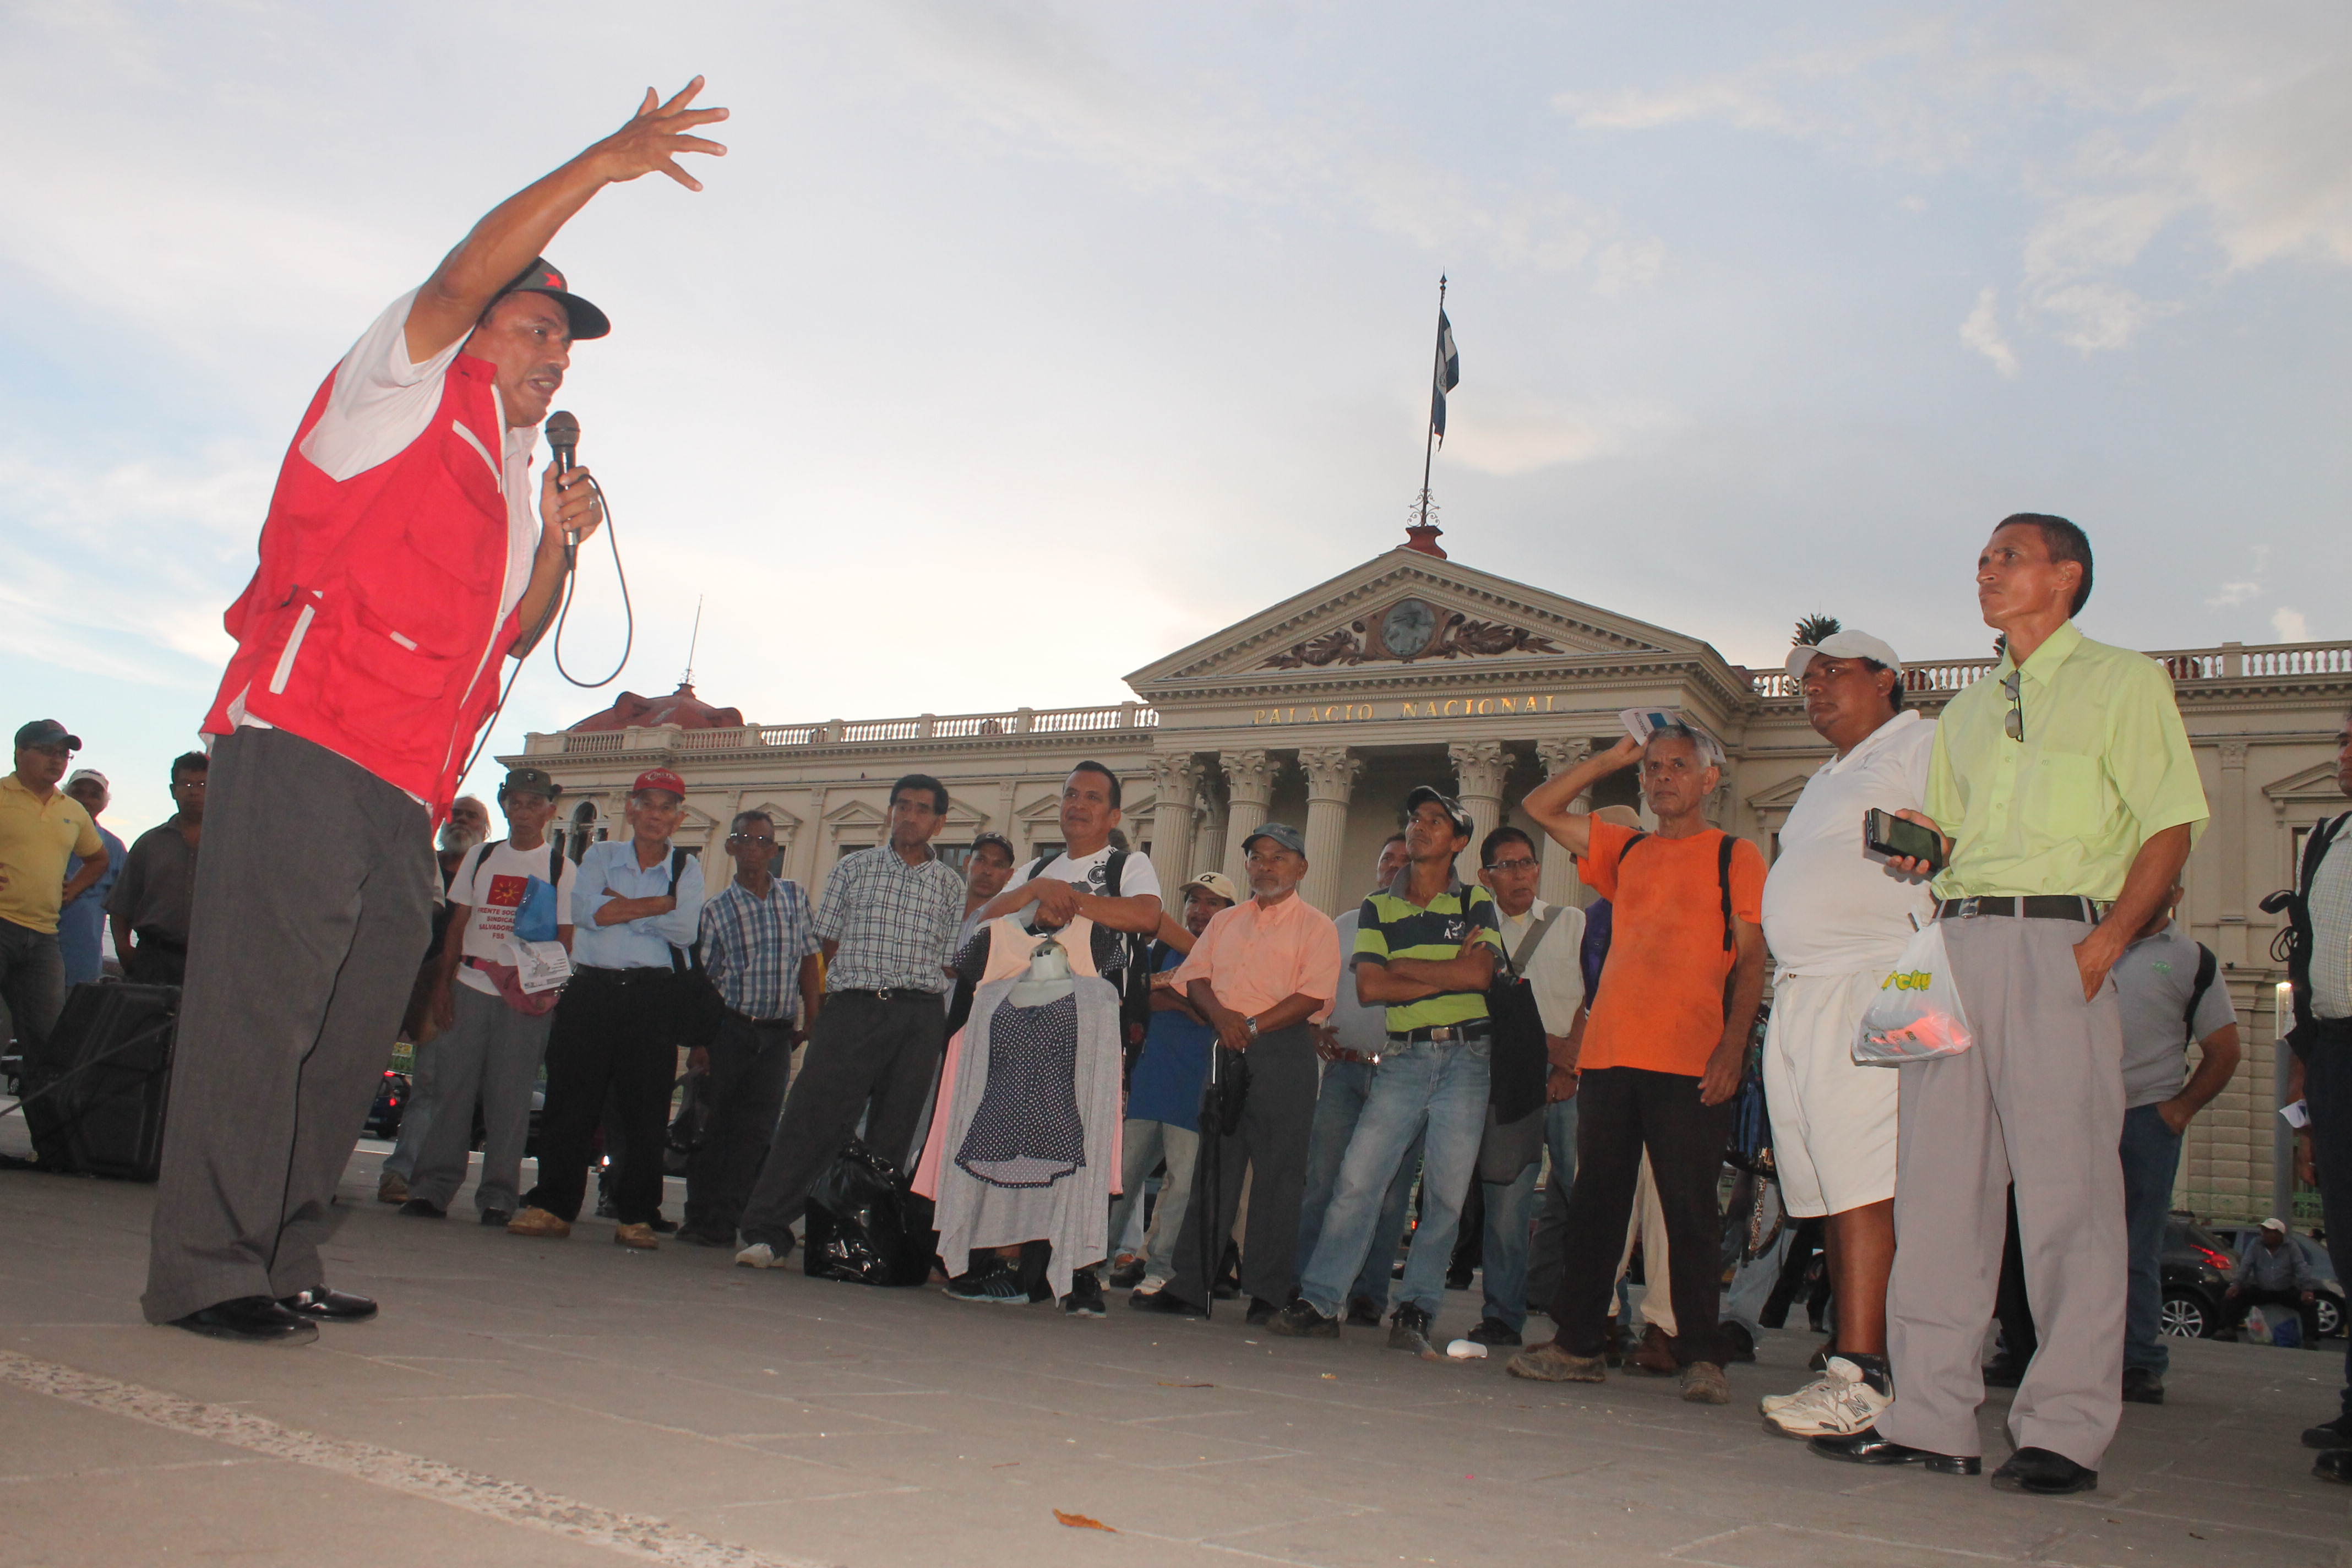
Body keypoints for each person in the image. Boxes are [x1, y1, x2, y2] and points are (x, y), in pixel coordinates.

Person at [141, 80, 727, 1345]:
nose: (554, 354)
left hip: (406, 785)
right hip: (307, 739)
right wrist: (608, 161)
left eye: (566, 344)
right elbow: (459, 276)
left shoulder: (515, 478)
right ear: (477, 333)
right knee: (264, 1014)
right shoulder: (399, 387)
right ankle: (205, 1265)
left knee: (348, 1024)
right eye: (536, 328)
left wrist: (559, 546)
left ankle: (282, 1249)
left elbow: (515, 636)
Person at [1807, 514, 2207, 1496]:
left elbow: (2169, 825)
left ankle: (2065, 1429)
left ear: (2065, 576)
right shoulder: (1971, 710)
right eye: (1983, 558)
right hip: (1954, 941)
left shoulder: (2123, 682)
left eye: (2008, 557)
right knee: (1938, 1190)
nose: (1985, 570)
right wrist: (1920, 845)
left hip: (2057, 945)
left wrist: (2108, 943)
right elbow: (1951, 838)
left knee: (2069, 1194)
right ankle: (1931, 1415)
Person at [1507, 723, 1767, 1406]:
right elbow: (1539, 808)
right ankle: (1579, 1344)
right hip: (1613, 1054)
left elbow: (1752, 960)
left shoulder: (1735, 855)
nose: (1662, 778)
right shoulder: (1624, 850)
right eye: (1652, 768)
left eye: (1677, 766)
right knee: (1597, 1203)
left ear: (1709, 779)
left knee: (1690, 1212)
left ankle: (1702, 1354)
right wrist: (1609, 760)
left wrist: (1733, 1047)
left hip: (1690, 1059)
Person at [1750, 629, 1937, 1437]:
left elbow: (1969, 839)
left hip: (1873, 980)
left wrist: (1937, 848)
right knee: (1828, 1183)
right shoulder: (1826, 777)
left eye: (1834, 672)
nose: (1815, 687)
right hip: (1802, 993)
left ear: (1886, 679)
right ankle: (1859, 1355)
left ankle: (1864, 1374)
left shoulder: (1922, 743)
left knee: (1864, 1177)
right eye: (1807, 679)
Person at [1272, 786, 1502, 1358]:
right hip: (1404, 1057)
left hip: (1467, 1059)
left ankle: (1417, 1309)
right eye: (1415, 817)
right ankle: (1321, 1301)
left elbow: (1480, 977)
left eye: (1435, 821)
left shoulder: (1477, 900)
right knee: (1357, 1181)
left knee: (1445, 1195)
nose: (1420, 827)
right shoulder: (1379, 906)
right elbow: (1371, 987)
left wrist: (1405, 964)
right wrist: (1445, 968)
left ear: (1459, 841)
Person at [733, 774, 966, 1270]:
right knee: (812, 1118)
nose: (910, 816)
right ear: (890, 812)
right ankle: (767, 1232)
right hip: (854, 1007)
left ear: (939, 822)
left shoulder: (950, 884)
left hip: (918, 1014)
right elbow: (826, 945)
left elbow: (946, 962)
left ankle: (858, 1242)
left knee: (892, 1134)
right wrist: (824, 1010)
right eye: (903, 806)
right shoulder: (854, 868)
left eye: (922, 809)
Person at [1135, 826, 1340, 1321]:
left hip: (1283, 1049)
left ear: (1301, 868)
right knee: (1213, 1167)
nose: (1266, 866)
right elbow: (1194, 977)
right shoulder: (1225, 922)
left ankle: (1269, 1292)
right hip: (1225, 1045)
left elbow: (1312, 996)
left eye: (1279, 857)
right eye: (1257, 857)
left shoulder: (1316, 926)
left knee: (1278, 1174)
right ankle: (1191, 1284)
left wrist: (1248, 1025)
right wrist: (1224, 1020)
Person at [509, 769, 707, 1245]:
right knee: (569, 1102)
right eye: (647, 804)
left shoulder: (687, 867)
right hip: (591, 990)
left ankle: (636, 1215)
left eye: (666, 807)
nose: (655, 815)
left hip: (651, 996)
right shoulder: (600, 855)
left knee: (646, 1108)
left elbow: (685, 931)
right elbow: (585, 912)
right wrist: (658, 906)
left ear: (678, 819)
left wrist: (622, 907)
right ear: (631, 810)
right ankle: (553, 1205)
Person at [398, 767, 578, 1225]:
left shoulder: (561, 868)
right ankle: (431, 1189)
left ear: (550, 811)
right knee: (450, 1092)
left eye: (534, 804)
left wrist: (547, 994)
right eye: (516, 802)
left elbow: (565, 938)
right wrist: (444, 987)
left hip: (523, 998)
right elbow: (457, 925)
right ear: (505, 806)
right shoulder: (482, 856)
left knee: (511, 1099)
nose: (524, 812)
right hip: (471, 985)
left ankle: (498, 1196)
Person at [2108, 882, 2239, 1402]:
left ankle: (2138, 1361)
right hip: (2075, 1114)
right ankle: (2044, 1351)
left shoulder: (2192, 960)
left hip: (2146, 1119)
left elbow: (2224, 1051)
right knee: (2057, 1240)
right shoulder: (2082, 938)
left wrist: (2177, 1112)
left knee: (2137, 1247)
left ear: (2177, 893)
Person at [676, 811, 823, 1247]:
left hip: (777, 1034)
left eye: (763, 841)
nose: (753, 849)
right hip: (730, 1029)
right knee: (713, 1125)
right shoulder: (716, 910)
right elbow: (705, 982)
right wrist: (700, 1042)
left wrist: (813, 1018)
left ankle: (732, 1215)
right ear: (731, 847)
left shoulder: (793, 897)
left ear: (775, 849)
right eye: (744, 839)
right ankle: (702, 1218)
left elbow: (809, 960)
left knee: (757, 1132)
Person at [1464, 825, 1586, 1349]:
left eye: (1527, 863)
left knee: (1587, 1197)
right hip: (1508, 1080)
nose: (1520, 875)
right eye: (1507, 866)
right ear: (1485, 876)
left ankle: (1604, 1315)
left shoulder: (1571, 922)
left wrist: (1569, 1066)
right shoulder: (1475, 938)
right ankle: (1502, 1314)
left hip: (1570, 1080)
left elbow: (1591, 1000)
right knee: (1507, 1203)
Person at [1294, 835, 1422, 1326]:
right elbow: (1312, 986)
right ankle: (1305, 1283)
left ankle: (1369, 1293)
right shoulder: (1344, 925)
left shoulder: (1428, 929)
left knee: (1390, 1193)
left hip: (1401, 1074)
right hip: (1344, 1070)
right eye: (1387, 859)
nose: (1394, 867)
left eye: (1405, 861)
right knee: (1323, 1181)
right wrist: (1311, 1028)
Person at [2278, 702, 2352, 1484]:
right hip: (2333, 1047)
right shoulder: (2328, 839)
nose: (2345, 755)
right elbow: (2305, 957)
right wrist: (2303, 1069)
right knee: (2347, 1232)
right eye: (2343, 740)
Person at [1108, 871, 1233, 1293]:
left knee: (1182, 1185)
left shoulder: (1232, 954)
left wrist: (1172, 995)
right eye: (1194, 901)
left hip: (1197, 1088)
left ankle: (1161, 1268)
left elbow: (1214, 1006)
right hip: (1150, 1082)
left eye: (1212, 902)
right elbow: (1138, 994)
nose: (1200, 910)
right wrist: (1183, 999)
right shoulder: (1162, 947)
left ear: (1228, 912)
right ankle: (1096, 1262)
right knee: (1122, 1177)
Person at [1, 720, 108, 1170]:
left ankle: (52, 1150)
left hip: (44, 938)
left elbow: (98, 858)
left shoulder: (72, 811)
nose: (57, 761)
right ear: (20, 752)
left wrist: (74, 887)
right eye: (47, 751)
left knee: (48, 1044)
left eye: (64, 754)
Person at [381, 792, 492, 1202]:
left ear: (485, 829)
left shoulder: (486, 876)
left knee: (428, 1085)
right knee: (357, 1074)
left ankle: (401, 1174)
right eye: (455, 814)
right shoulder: (419, 863)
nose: (461, 820)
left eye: (471, 816)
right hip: (393, 976)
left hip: (444, 984)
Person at [975, 763, 1166, 986]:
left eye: (1093, 798)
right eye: (1071, 795)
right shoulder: (1035, 870)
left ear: (1114, 817)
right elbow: (984, 921)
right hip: (1027, 999)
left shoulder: (1129, 864)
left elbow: (1147, 916)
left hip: (1101, 1002)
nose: (1078, 804)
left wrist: (1064, 903)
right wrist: (1035, 889)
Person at [107, 753, 207, 986]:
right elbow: (121, 904)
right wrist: (124, 949)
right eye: (186, 784)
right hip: (154, 960)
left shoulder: (232, 844)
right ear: (174, 790)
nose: (194, 792)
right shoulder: (150, 843)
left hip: (211, 961)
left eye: (203, 784)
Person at [59, 769, 126, 987]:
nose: (86, 800)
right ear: (65, 795)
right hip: (25, 950)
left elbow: (124, 905)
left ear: (104, 803)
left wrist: (124, 947)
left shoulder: (114, 848)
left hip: (81, 959)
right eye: (78, 792)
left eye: (94, 795)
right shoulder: (43, 833)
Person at [2218, 1219, 2322, 1346]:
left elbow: (2300, 1267)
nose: (2265, 1235)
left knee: (2309, 1304)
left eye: (2269, 1232)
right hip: (2261, 1289)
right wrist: (2236, 1285)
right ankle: (2229, 1330)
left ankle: (2309, 1339)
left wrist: (2307, 1289)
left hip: (2285, 1289)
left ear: (2279, 1234)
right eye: (2264, 1231)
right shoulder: (2256, 1244)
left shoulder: (2291, 1246)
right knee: (2233, 1297)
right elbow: (2246, 1265)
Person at [957, 832, 1018, 952]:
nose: (987, 871)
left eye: (998, 865)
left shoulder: (1009, 924)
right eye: (981, 860)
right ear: (966, 863)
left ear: (1009, 875)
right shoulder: (943, 907)